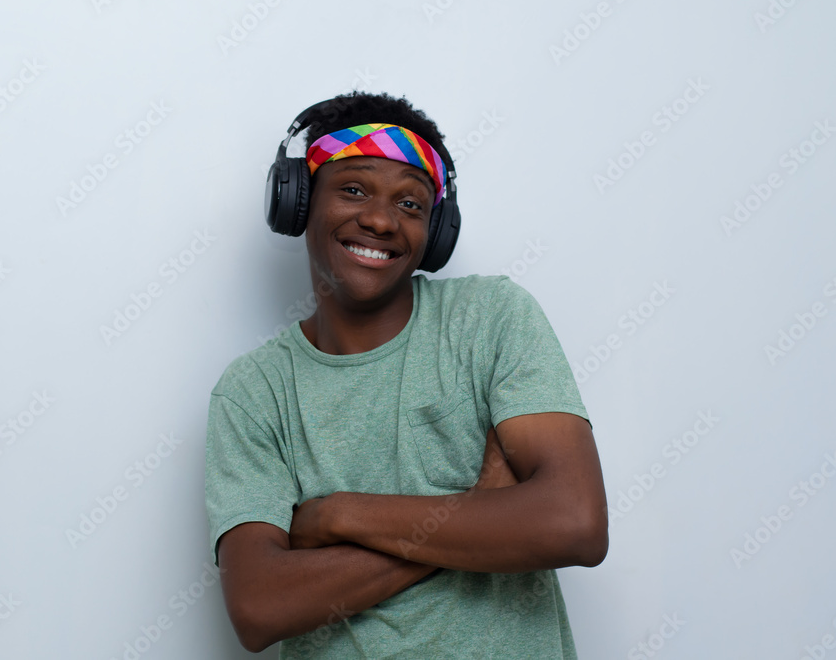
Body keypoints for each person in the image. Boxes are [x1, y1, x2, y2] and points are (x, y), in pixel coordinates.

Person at [204, 91, 608, 658]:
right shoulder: (254, 393)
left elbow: (574, 522)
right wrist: (479, 510)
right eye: (353, 189)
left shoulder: (490, 318)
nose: (379, 219)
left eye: (411, 204)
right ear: (297, 202)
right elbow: (259, 607)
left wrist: (337, 515)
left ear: (436, 232)